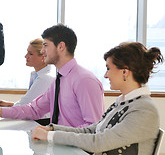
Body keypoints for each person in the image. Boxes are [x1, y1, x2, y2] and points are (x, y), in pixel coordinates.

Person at [31, 42, 163, 155]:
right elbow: (92, 130)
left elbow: (98, 142)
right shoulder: (123, 102)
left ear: (125, 71)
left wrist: (49, 136)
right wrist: (52, 129)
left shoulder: (144, 110)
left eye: (108, 68)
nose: (106, 75)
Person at [0, 24, 104, 128]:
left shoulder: (84, 80)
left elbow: (93, 128)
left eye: (46, 46)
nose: (43, 51)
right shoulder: (59, 81)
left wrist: (54, 134)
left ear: (61, 46)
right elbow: (33, 110)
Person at [0, 38, 55, 107]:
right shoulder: (38, 75)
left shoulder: (45, 78)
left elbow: (25, 106)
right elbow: (28, 103)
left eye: (30, 54)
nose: (26, 56)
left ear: (43, 57)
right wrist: (12, 104)